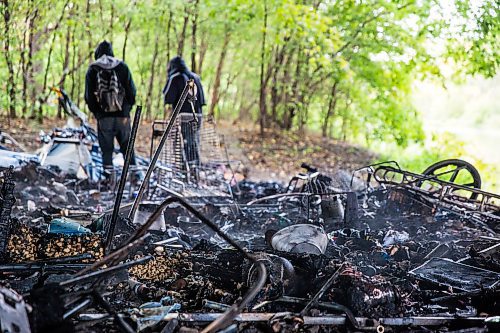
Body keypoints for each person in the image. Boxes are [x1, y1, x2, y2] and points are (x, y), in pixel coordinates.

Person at [84, 41, 137, 178]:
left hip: (104, 117)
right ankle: (134, 180)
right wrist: (126, 109)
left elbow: (89, 97)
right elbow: (132, 92)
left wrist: (98, 113)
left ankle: (110, 181)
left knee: (107, 151)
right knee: (128, 149)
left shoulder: (93, 69)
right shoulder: (122, 67)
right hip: (123, 117)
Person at [162, 56, 206, 173]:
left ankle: (184, 170)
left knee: (181, 144)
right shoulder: (196, 77)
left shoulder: (175, 78)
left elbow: (168, 98)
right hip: (197, 116)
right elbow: (202, 101)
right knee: (192, 143)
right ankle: (194, 169)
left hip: (182, 118)